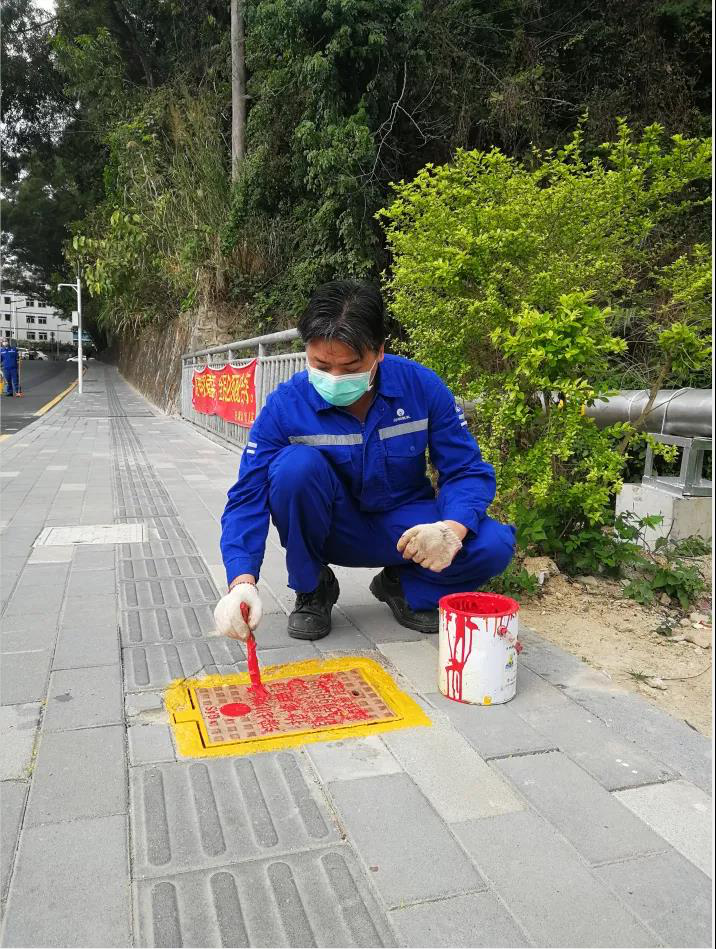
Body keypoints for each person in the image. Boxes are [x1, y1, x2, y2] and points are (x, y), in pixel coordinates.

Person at [214, 279, 516, 644]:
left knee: (493, 544)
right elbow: (248, 495)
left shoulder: (422, 388)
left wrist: (450, 529)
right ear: (306, 350)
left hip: (406, 528)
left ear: (379, 352)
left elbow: (465, 469)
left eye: (350, 367)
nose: (334, 379)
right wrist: (241, 581)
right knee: (294, 468)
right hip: (335, 529)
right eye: (321, 365)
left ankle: (404, 584)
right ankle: (313, 588)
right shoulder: (286, 405)